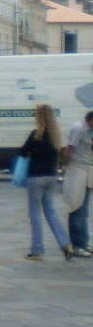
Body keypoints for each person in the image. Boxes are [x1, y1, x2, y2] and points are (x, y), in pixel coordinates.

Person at [19, 104, 74, 260]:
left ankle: (37, 250)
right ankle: (66, 244)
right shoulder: (55, 136)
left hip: (36, 176)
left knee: (35, 212)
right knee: (50, 210)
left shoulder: (35, 135)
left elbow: (22, 152)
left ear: (38, 117)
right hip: (51, 176)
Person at [62, 110, 93, 257]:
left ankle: (84, 242)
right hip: (77, 168)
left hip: (88, 169)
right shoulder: (79, 129)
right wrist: (65, 167)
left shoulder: (90, 130)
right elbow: (69, 150)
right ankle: (77, 244)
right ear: (90, 120)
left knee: (84, 209)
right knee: (76, 207)